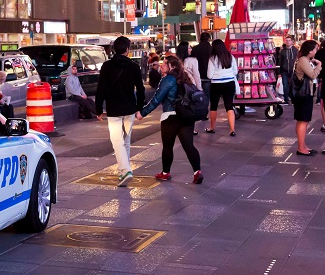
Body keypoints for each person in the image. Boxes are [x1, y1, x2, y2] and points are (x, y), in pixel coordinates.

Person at [136, 55, 203, 184]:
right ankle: (197, 171)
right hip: (186, 116)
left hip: (171, 116)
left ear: (172, 66)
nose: (161, 66)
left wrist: (142, 113)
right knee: (189, 146)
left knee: (168, 146)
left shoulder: (168, 79)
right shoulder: (186, 78)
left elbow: (157, 99)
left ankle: (165, 173)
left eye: (165, 64)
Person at [95, 36, 145, 187]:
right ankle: (123, 171)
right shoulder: (134, 66)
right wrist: (139, 108)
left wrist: (98, 109)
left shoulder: (107, 66)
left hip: (114, 109)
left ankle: (125, 170)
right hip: (129, 108)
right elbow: (141, 89)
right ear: (127, 50)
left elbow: (101, 90)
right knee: (126, 141)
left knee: (117, 141)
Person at [291, 40, 321, 156]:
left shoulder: (305, 59)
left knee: (303, 121)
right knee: (303, 121)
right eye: (315, 49)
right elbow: (312, 75)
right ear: (310, 50)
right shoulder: (303, 60)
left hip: (304, 94)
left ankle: (303, 146)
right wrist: (319, 66)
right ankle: (301, 148)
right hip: (303, 95)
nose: (316, 51)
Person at [206, 39, 239, 137]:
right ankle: (232, 130)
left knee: (213, 106)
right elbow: (236, 71)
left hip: (216, 84)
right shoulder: (230, 57)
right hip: (229, 83)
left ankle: (212, 128)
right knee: (229, 106)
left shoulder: (212, 59)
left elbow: (209, 75)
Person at [276, 36, 298, 104]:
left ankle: (293, 99)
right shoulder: (283, 51)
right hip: (284, 70)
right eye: (287, 40)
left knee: (293, 85)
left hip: (293, 70)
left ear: (292, 41)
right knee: (285, 85)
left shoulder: (295, 50)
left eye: (289, 40)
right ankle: (286, 99)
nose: (288, 42)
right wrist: (279, 72)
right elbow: (280, 62)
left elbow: (298, 60)